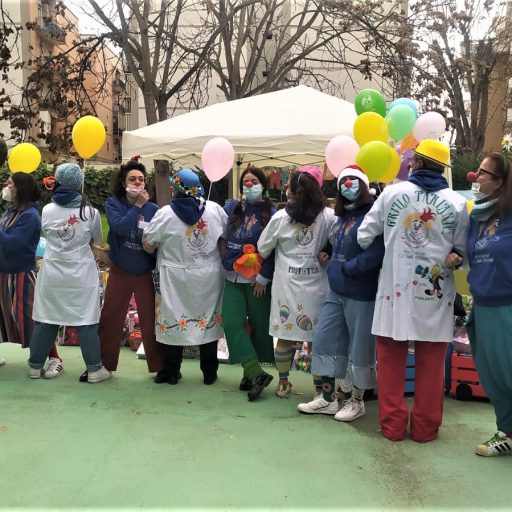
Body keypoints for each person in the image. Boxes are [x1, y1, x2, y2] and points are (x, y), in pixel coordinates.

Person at [358, 140, 469, 442]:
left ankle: (393, 426)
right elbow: (461, 252)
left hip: (394, 289)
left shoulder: (392, 193)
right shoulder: (457, 202)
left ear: (416, 163)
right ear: (443, 168)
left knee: (391, 360)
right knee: (432, 363)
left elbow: (364, 235)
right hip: (434, 292)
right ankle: (425, 429)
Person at [298, 165, 384, 421]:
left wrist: (351, 267)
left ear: (364, 185)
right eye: (343, 181)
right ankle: (326, 398)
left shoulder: (373, 214)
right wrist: (327, 250)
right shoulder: (342, 216)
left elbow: (377, 250)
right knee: (324, 340)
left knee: (360, 348)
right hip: (336, 291)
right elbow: (339, 242)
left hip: (362, 292)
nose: (347, 185)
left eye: (353, 180)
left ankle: (357, 400)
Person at [451, 152, 512, 456]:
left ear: (501, 182)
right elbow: (468, 254)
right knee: (492, 373)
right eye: (477, 170)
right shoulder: (478, 216)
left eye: (484, 173)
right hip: (483, 304)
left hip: (507, 305)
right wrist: (456, 257)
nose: (475, 176)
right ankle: (507, 432)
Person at [28, 163, 111, 383]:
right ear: (79, 184)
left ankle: (35, 366)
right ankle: (94, 369)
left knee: (46, 319)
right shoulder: (89, 211)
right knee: (86, 320)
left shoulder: (47, 210)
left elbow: (47, 233)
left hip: (53, 271)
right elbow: (98, 239)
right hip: (81, 273)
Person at [143, 169, 227, 385]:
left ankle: (171, 372)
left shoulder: (164, 214)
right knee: (206, 321)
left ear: (175, 189)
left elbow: (149, 245)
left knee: (173, 320)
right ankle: (209, 373)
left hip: (174, 275)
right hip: (208, 275)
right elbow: (224, 238)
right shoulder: (214, 209)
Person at [258, 165, 336, 398]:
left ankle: (283, 384)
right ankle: (319, 389)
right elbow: (338, 242)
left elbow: (263, 249)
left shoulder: (281, 217)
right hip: (318, 285)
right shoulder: (328, 216)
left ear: (291, 189)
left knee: (285, 335)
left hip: (287, 285)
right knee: (316, 340)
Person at [98, 157, 165, 383]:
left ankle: (158, 367)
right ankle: (105, 365)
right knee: (110, 318)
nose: (137, 182)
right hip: (120, 271)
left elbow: (159, 241)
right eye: (132, 178)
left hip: (144, 273)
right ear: (123, 181)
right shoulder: (113, 203)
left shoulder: (154, 209)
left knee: (150, 321)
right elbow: (119, 227)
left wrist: (154, 248)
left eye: (141, 179)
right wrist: (137, 207)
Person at [0, 172, 64, 377]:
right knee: (2, 315)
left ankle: (54, 358)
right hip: (3, 273)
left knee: (32, 318)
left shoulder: (30, 216)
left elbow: (13, 244)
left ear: (19, 189)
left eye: (9, 183)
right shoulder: (10, 212)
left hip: (21, 275)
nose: (5, 185)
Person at [222, 165, 276, 401]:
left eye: (254, 182)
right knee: (231, 322)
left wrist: (264, 276)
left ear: (263, 185)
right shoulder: (234, 208)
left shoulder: (273, 212)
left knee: (258, 325)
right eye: (246, 182)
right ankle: (255, 373)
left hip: (257, 280)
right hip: (232, 276)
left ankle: (249, 372)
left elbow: (276, 248)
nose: (250, 186)